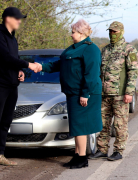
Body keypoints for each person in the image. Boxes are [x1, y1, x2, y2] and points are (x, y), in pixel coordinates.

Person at [35, 19, 102, 169]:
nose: (71, 35)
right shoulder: (72, 49)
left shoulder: (91, 49)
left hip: (83, 94)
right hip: (72, 93)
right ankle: (77, 156)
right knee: (76, 126)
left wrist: (85, 94)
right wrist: (41, 67)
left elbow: (92, 74)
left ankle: (82, 159)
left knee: (80, 127)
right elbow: (58, 64)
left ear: (81, 33)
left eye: (73, 32)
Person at [0, 7, 40, 169]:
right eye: (18, 18)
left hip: (11, 85)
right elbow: (5, 57)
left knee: (6, 121)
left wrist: (19, 71)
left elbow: (12, 60)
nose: (20, 21)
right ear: (8, 18)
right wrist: (29, 65)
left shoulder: (12, 38)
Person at [89, 21, 138, 161]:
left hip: (120, 94)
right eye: (110, 31)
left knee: (119, 124)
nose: (112, 34)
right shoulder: (105, 50)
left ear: (121, 32)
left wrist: (129, 92)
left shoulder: (129, 49)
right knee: (103, 122)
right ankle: (102, 149)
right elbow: (99, 71)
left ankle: (118, 150)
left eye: (114, 31)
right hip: (104, 94)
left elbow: (133, 71)